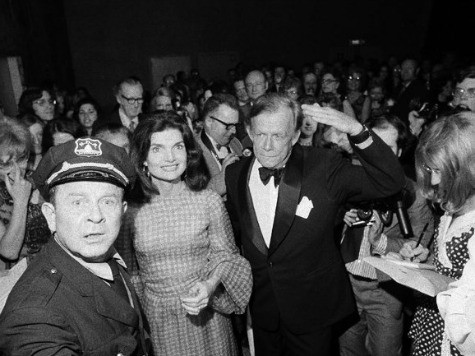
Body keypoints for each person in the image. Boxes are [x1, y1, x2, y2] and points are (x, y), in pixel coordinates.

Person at [225, 93, 405, 355]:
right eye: (260, 134)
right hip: (263, 312)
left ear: (296, 136)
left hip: (311, 313)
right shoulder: (235, 174)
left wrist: (357, 130)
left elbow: (390, 181)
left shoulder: (324, 166)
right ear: (249, 133)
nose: (267, 145)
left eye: (278, 136)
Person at [0, 137, 150, 355]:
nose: (96, 216)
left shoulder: (105, 256)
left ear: (123, 210)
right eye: (78, 202)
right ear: (51, 216)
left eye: (108, 201)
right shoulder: (34, 318)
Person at [128, 112, 252, 355]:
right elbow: (130, 275)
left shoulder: (208, 200)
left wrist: (209, 285)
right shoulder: (131, 211)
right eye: (157, 149)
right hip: (160, 321)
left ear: (188, 153)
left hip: (208, 315)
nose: (170, 158)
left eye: (178, 147)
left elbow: (227, 256)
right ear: (143, 158)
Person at [339, 115, 435, 356]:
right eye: (374, 146)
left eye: (387, 148)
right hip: (346, 284)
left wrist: (380, 242)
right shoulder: (346, 178)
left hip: (385, 292)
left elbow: (419, 248)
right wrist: (338, 220)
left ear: (400, 150)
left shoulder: (414, 194)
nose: (378, 155)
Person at [400, 112, 475, 355]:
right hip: (432, 322)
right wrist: (427, 260)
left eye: (439, 170)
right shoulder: (451, 207)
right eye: (429, 169)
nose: (433, 180)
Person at [0, 119, 49, 268]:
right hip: (21, 278)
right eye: (5, 164)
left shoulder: (38, 181)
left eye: (21, 159)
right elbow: (9, 252)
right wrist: (21, 201)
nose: (16, 170)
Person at [195, 94, 242, 196]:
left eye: (235, 125)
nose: (234, 131)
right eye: (228, 126)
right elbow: (196, 198)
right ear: (209, 122)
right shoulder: (193, 151)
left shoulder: (236, 143)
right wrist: (223, 178)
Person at [391, 59, 429, 125]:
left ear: (417, 71)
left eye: (409, 68)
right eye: (403, 68)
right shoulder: (400, 86)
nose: (405, 71)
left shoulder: (420, 89)